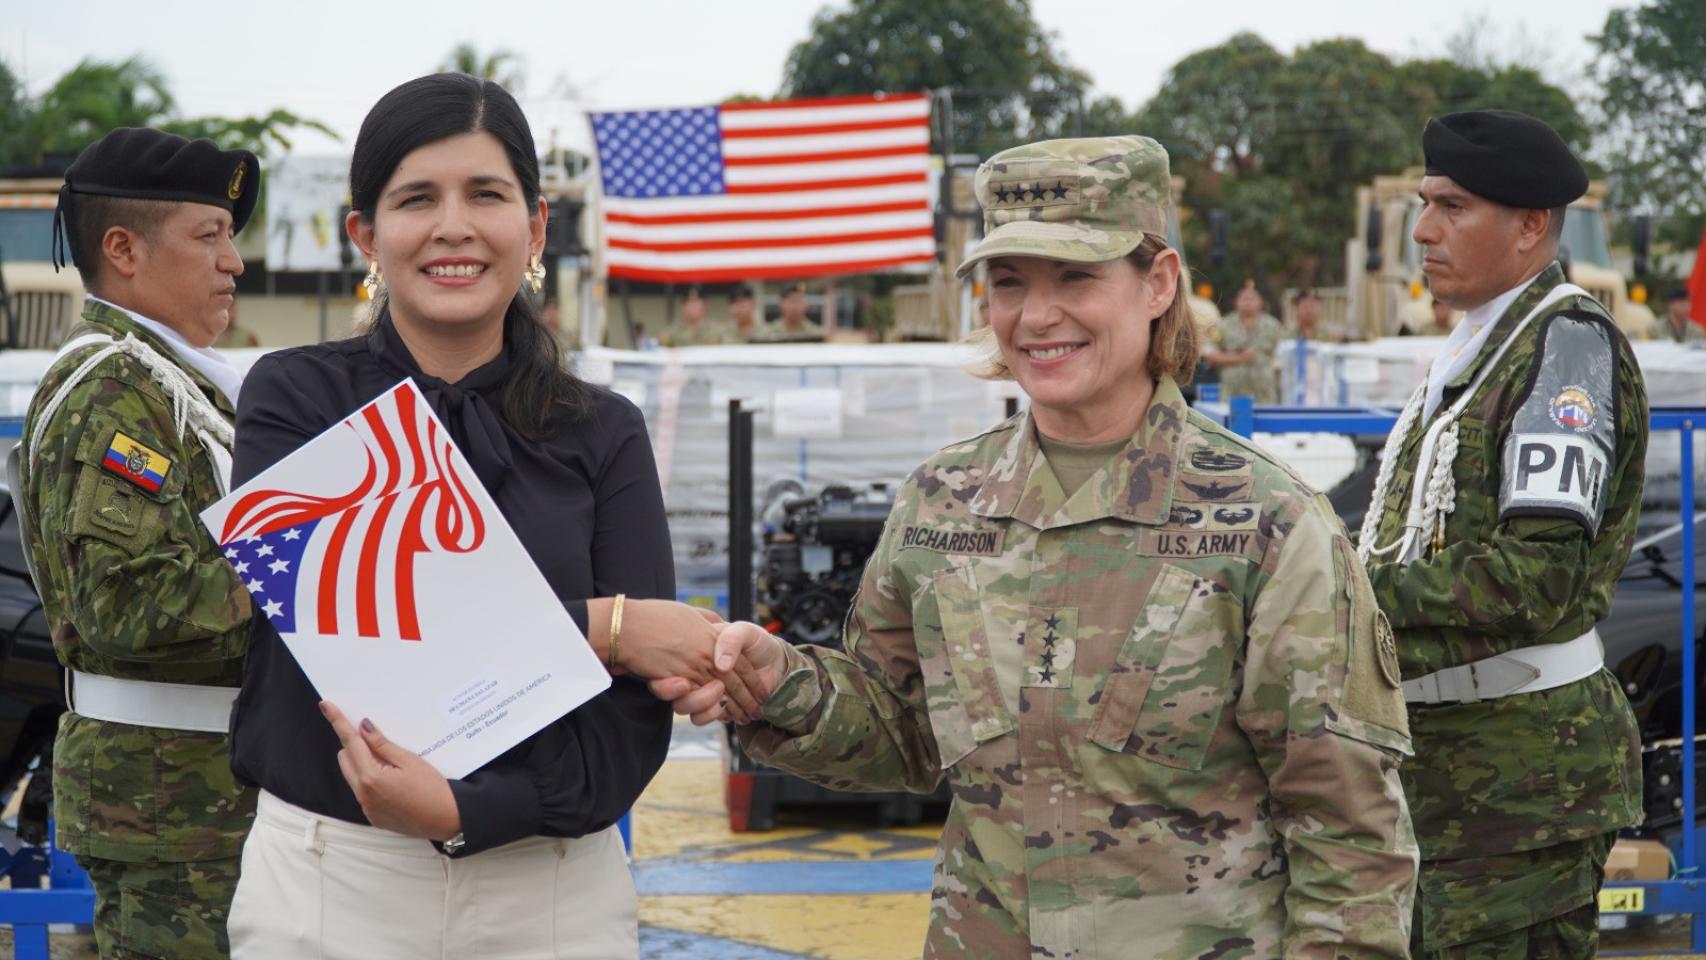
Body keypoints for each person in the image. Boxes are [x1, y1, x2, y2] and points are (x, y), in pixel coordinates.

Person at [665, 135, 1417, 958]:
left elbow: (1347, 829)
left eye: (1077, 277)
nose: (1036, 316)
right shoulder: (940, 503)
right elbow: (902, 730)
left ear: (1159, 283)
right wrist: (781, 683)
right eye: (1009, 283)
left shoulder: (1264, 520)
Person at [223, 74, 724, 960]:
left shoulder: (604, 432)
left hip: (555, 894)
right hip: (330, 884)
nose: (453, 225)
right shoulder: (293, 398)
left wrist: (469, 811)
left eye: (485, 195)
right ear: (366, 236)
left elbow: (632, 722)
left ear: (533, 227)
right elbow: (354, 627)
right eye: (417, 198)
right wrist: (605, 629)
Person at [1357, 110, 1646, 959]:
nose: (1423, 230)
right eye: (1424, 204)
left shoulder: (1566, 349)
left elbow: (1538, 577)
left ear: (1529, 226)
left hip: (1523, 786)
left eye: (1452, 208)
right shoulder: (1476, 348)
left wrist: (1338, 592)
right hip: (1449, 776)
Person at [15, 128, 258, 959]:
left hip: (202, 791)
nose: (234, 262)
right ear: (123, 249)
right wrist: (314, 570)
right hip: (169, 805)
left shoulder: (169, 380)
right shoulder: (113, 390)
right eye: (209, 236)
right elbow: (127, 602)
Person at [1204, 280, 1284, 402]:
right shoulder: (1223, 326)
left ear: (1261, 302)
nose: (1248, 302)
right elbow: (1210, 355)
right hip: (1232, 396)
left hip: (1265, 397)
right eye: (1244, 299)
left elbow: (1283, 357)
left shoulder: (1273, 326)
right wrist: (1238, 358)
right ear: (1236, 302)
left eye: (1252, 299)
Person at [754, 282, 824, 342]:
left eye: (799, 301)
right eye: (791, 301)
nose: (795, 306)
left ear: (806, 305)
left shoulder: (817, 334)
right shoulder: (766, 334)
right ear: (781, 304)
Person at [659, 285, 725, 346]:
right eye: (689, 302)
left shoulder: (717, 329)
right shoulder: (673, 331)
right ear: (683, 306)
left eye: (696, 301)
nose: (693, 306)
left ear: (705, 305)